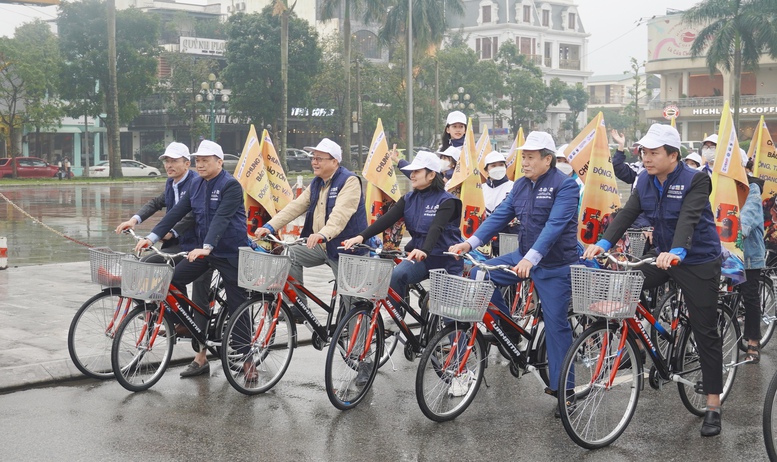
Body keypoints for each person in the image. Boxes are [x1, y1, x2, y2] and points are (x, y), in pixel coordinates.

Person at [582, 123, 724, 437]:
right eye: (644, 151)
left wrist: (676, 250)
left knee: (705, 332)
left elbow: (688, 217)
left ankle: (713, 404)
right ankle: (635, 346)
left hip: (697, 259)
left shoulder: (697, 179)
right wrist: (603, 244)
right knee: (622, 284)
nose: (646, 157)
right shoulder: (645, 180)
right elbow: (627, 213)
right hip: (662, 257)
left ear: (673, 155)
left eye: (654, 152)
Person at [449, 131, 580, 411]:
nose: (525, 162)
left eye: (531, 157)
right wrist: (469, 242)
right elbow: (499, 216)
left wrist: (532, 258)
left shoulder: (564, 186)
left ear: (548, 159)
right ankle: (510, 330)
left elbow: (555, 226)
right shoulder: (520, 185)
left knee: (556, 326)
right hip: (522, 256)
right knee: (478, 274)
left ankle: (564, 392)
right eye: (523, 157)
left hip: (555, 265)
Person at [134, 139, 248, 378]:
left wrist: (207, 246)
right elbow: (176, 213)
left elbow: (222, 219)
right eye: (198, 161)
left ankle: (248, 360)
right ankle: (188, 324)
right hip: (203, 252)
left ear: (219, 161)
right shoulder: (197, 185)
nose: (201, 165)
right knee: (172, 281)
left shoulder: (230, 186)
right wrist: (151, 237)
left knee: (239, 305)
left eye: (206, 160)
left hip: (229, 252)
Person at [254, 138, 368, 321]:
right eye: (313, 158)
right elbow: (296, 206)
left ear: (334, 162)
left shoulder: (350, 181)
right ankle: (299, 306)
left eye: (320, 158)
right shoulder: (317, 182)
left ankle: (358, 348)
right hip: (321, 246)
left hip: (346, 249)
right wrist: (270, 226)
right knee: (289, 254)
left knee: (353, 304)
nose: (314, 162)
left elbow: (340, 214)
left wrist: (323, 234)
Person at [343, 150, 463, 323]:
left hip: (446, 260)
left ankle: (451, 344)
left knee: (449, 317)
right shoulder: (408, 198)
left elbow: (436, 228)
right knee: (395, 276)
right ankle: (395, 319)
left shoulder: (447, 201)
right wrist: (361, 237)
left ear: (431, 175)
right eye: (411, 171)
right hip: (421, 258)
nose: (412, 175)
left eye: (416, 172)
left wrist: (424, 250)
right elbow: (386, 220)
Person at [115, 142, 211, 335]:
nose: (169, 165)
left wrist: (172, 231)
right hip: (177, 242)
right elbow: (156, 203)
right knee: (146, 265)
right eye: (167, 161)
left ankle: (199, 334)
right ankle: (177, 318)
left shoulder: (196, 182)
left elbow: (193, 213)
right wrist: (134, 220)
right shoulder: (171, 183)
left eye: (174, 161)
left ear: (186, 163)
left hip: (196, 242)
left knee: (199, 289)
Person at [740, 154, 766, 363]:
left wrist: (735, 230)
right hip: (724, 251)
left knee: (749, 296)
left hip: (748, 253)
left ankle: (753, 342)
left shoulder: (752, 188)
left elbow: (747, 217)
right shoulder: (719, 184)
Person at [481, 151, 517, 255]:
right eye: (493, 166)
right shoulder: (480, 189)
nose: (498, 168)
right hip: (485, 239)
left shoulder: (514, 187)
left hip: (508, 238)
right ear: (486, 170)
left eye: (501, 165)